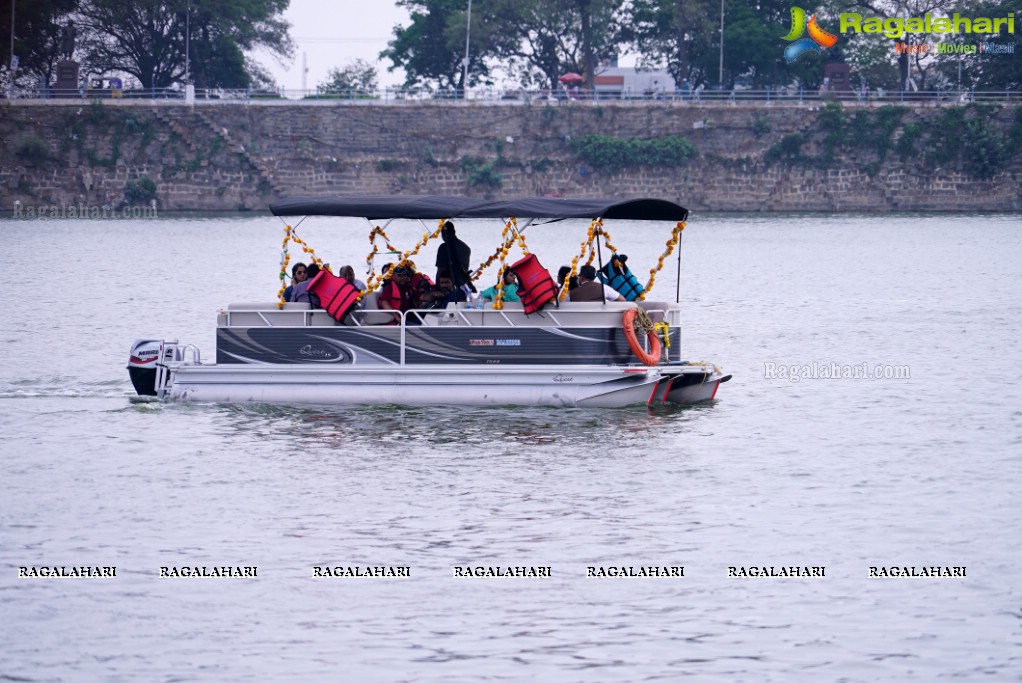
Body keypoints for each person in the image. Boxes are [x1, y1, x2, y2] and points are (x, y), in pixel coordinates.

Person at [436, 221, 474, 293]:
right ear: (454, 231)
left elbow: (440, 270)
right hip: (462, 286)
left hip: (448, 286)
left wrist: (437, 289)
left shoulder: (444, 247)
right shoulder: (465, 247)